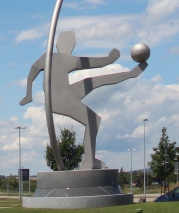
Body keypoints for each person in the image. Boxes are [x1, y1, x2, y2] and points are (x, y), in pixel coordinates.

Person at [20, 30, 146, 169]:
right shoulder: (69, 60)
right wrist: (111, 59)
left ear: (57, 44)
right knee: (93, 120)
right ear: (71, 46)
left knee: (91, 81)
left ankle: (130, 74)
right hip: (61, 99)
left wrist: (29, 94)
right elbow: (95, 63)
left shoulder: (46, 57)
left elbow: (32, 71)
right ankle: (88, 160)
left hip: (59, 95)